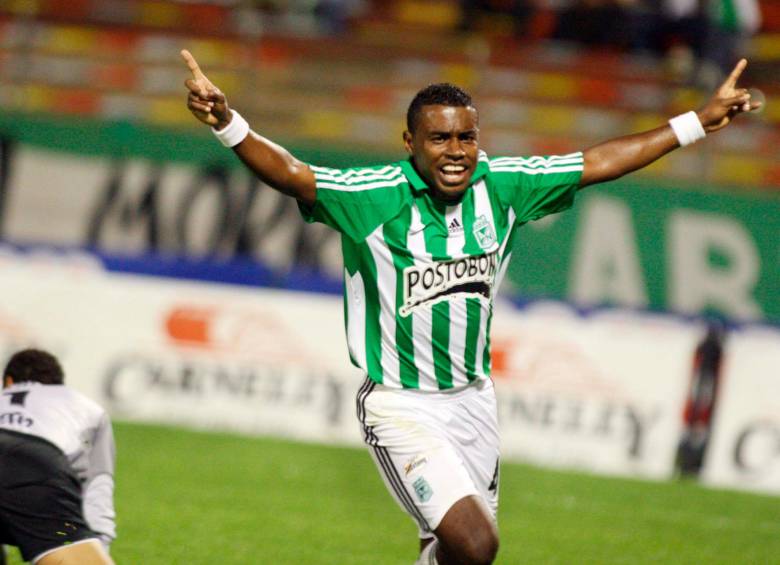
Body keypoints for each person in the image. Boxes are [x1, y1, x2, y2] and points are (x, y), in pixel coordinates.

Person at [181, 48, 759, 564]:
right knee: (477, 544)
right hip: (400, 406)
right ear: (410, 144)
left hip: (474, 403)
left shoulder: (503, 185)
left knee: (457, 555)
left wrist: (694, 124)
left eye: (466, 137)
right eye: (439, 139)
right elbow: (294, 176)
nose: (456, 152)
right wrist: (229, 124)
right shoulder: (374, 196)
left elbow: (598, 162)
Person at [0, 349, 116, 565]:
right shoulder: (86, 407)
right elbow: (98, 485)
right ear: (58, 385)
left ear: (8, 381)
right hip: (33, 463)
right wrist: (94, 543)